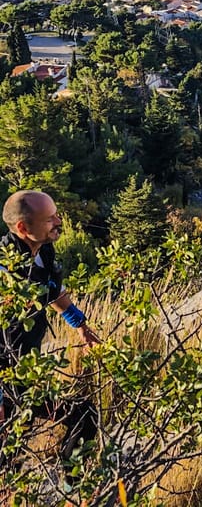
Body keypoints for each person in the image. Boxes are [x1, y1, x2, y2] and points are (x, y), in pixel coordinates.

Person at [1, 190, 101, 463]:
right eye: (50, 219)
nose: (58, 221)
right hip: (5, 382)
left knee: (86, 416)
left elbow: (53, 291)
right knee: (7, 459)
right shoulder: (4, 267)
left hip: (26, 377)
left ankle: (73, 492)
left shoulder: (43, 251)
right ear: (23, 227)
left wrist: (79, 323)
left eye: (56, 215)